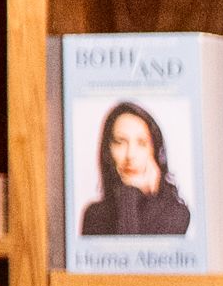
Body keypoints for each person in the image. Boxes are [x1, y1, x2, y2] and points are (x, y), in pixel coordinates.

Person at [81, 101, 189, 243]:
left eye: (142, 143)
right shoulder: (94, 215)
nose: (130, 155)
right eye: (120, 142)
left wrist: (131, 193)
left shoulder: (175, 214)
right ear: (108, 151)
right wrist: (128, 194)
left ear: (155, 152)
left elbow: (130, 254)